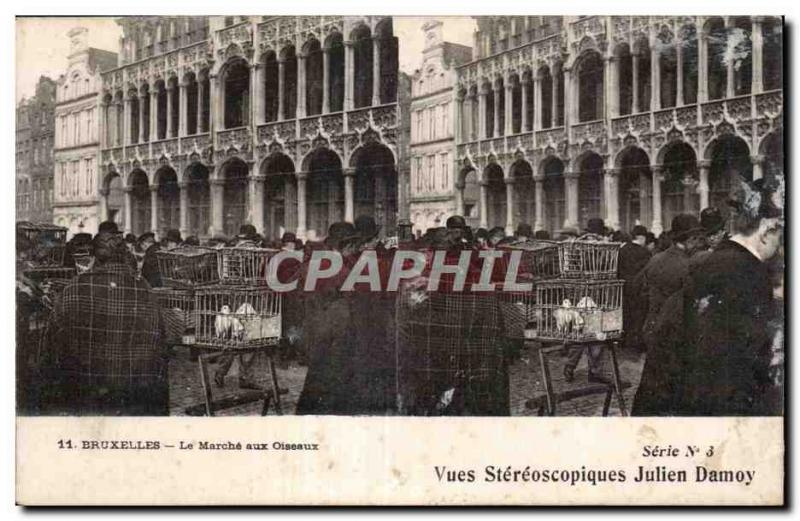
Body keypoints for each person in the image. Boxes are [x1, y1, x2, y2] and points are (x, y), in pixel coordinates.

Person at [36, 232, 169, 415]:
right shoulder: (144, 289)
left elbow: (50, 346)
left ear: (93, 256)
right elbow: (160, 346)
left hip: (83, 393)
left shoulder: (74, 288)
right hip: (133, 394)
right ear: (124, 256)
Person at [630, 214, 705, 414]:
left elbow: (638, 290)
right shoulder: (689, 266)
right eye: (696, 239)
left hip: (652, 328)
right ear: (689, 240)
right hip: (675, 333)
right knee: (674, 386)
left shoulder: (655, 259)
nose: (698, 244)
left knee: (653, 381)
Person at [562, 218, 611, 384]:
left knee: (580, 332)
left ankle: (570, 367)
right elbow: (607, 266)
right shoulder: (600, 245)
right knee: (595, 333)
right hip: (595, 293)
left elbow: (570, 268)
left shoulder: (576, 245)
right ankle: (594, 371)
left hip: (579, 293)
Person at [617, 225, 652, 352]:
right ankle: (636, 343)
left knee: (625, 314)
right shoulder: (645, 252)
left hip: (623, 287)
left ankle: (624, 340)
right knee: (639, 317)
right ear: (642, 237)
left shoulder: (622, 250)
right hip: (638, 290)